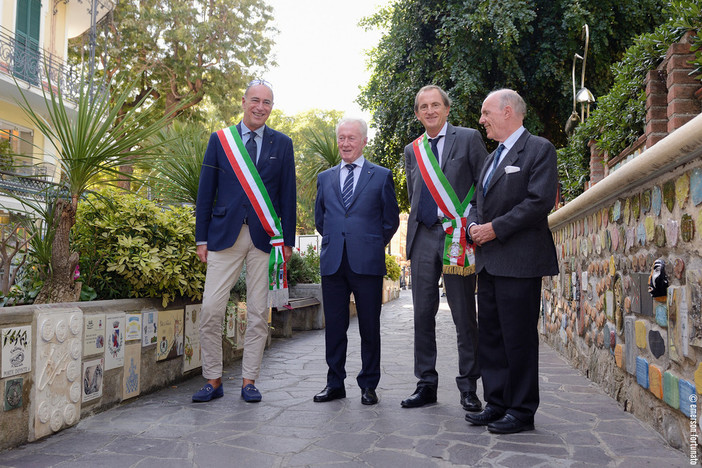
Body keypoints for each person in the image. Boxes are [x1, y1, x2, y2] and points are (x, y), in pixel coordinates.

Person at [192, 80, 296, 403]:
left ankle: (249, 381)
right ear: (243, 102)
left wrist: (288, 241)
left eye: (267, 102)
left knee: (257, 313)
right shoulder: (221, 140)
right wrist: (201, 238)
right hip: (224, 235)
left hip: (265, 239)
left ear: (271, 107)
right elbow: (205, 191)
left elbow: (288, 195)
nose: (260, 107)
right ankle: (213, 379)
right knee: (210, 309)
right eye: (255, 100)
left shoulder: (283, 144)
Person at [466, 89, 559, 434]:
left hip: (520, 263)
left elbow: (539, 201)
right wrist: (474, 224)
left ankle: (521, 410)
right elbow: (477, 200)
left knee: (518, 338)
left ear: (508, 112)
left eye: (486, 112)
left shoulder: (539, 149)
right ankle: (497, 403)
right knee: (490, 336)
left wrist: (494, 228)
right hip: (488, 262)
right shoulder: (491, 159)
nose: (481, 120)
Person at [401, 85, 487, 411]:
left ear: (447, 109)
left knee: (464, 314)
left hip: (458, 236)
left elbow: (483, 184)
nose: (430, 111)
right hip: (424, 236)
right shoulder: (413, 150)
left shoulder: (468, 138)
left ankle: (469, 387)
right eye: (423, 106)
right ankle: (425, 384)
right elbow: (415, 192)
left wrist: (472, 222)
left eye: (435, 105)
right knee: (423, 313)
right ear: (417, 113)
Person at [313, 118, 400, 405]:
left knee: (369, 328)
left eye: (351, 138)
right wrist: (339, 239)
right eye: (341, 138)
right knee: (335, 327)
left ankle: (368, 385)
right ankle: (334, 383)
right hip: (333, 262)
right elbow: (320, 219)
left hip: (367, 262)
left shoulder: (382, 175)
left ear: (364, 141)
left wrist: (369, 242)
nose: (345, 143)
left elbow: (390, 221)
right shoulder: (325, 178)